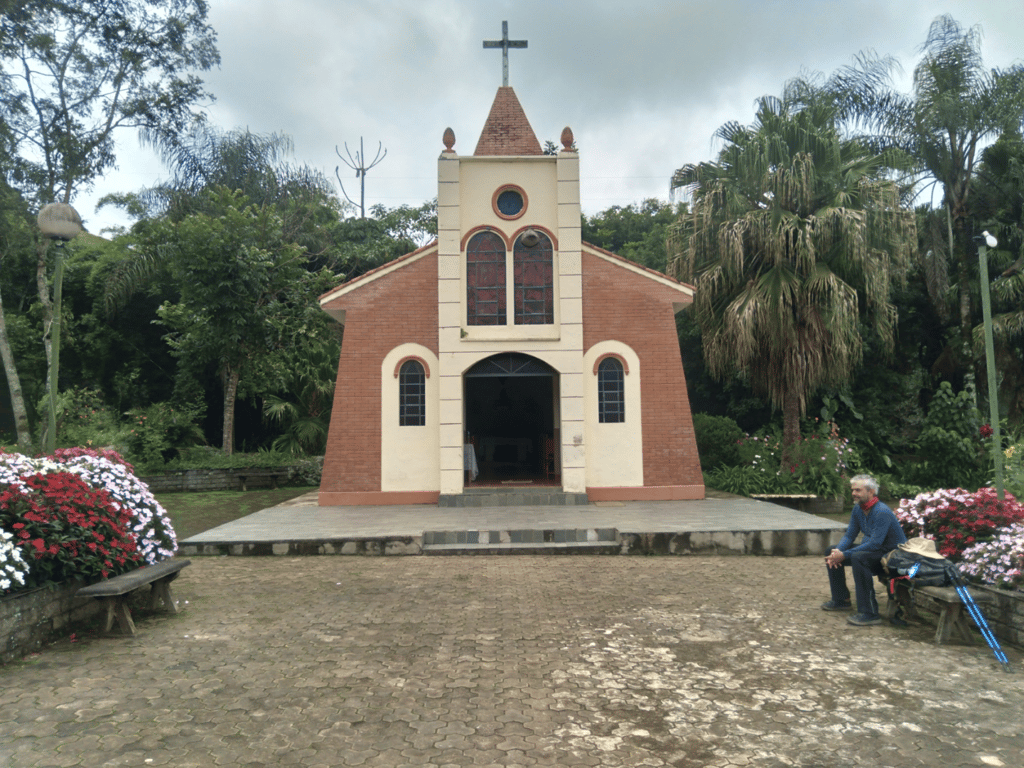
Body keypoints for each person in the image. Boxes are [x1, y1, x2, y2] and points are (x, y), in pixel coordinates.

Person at [822, 474, 907, 626]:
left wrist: (845, 554)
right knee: (830, 550)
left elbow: (875, 543)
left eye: (858, 490)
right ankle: (841, 600)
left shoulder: (882, 512)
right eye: (853, 490)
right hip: (876, 552)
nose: (854, 493)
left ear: (871, 492)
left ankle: (869, 612)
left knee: (859, 558)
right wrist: (838, 552)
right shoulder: (858, 509)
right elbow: (849, 535)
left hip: (892, 557)